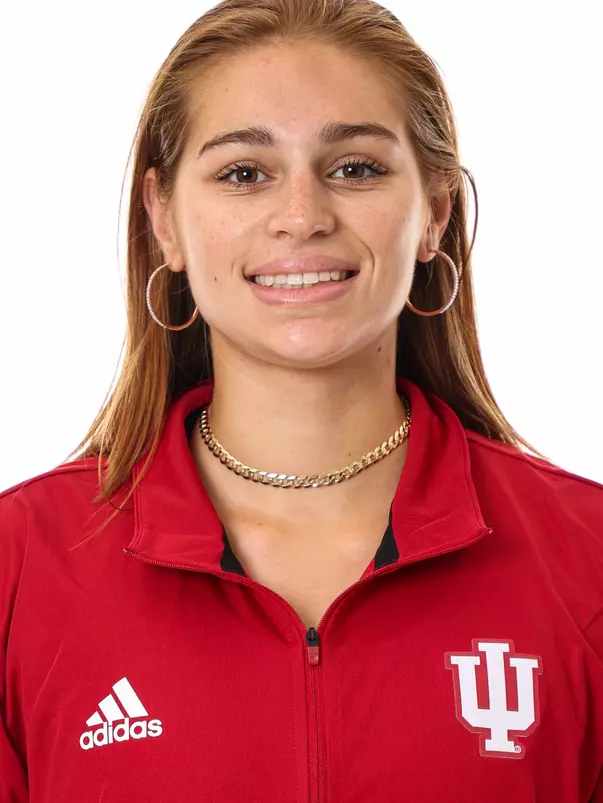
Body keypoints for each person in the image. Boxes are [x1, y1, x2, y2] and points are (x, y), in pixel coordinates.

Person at [1, 0, 602, 800]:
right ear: (164, 218)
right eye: (243, 174)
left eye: (354, 168)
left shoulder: (586, 559)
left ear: (434, 212)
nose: (302, 217)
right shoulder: (20, 563)